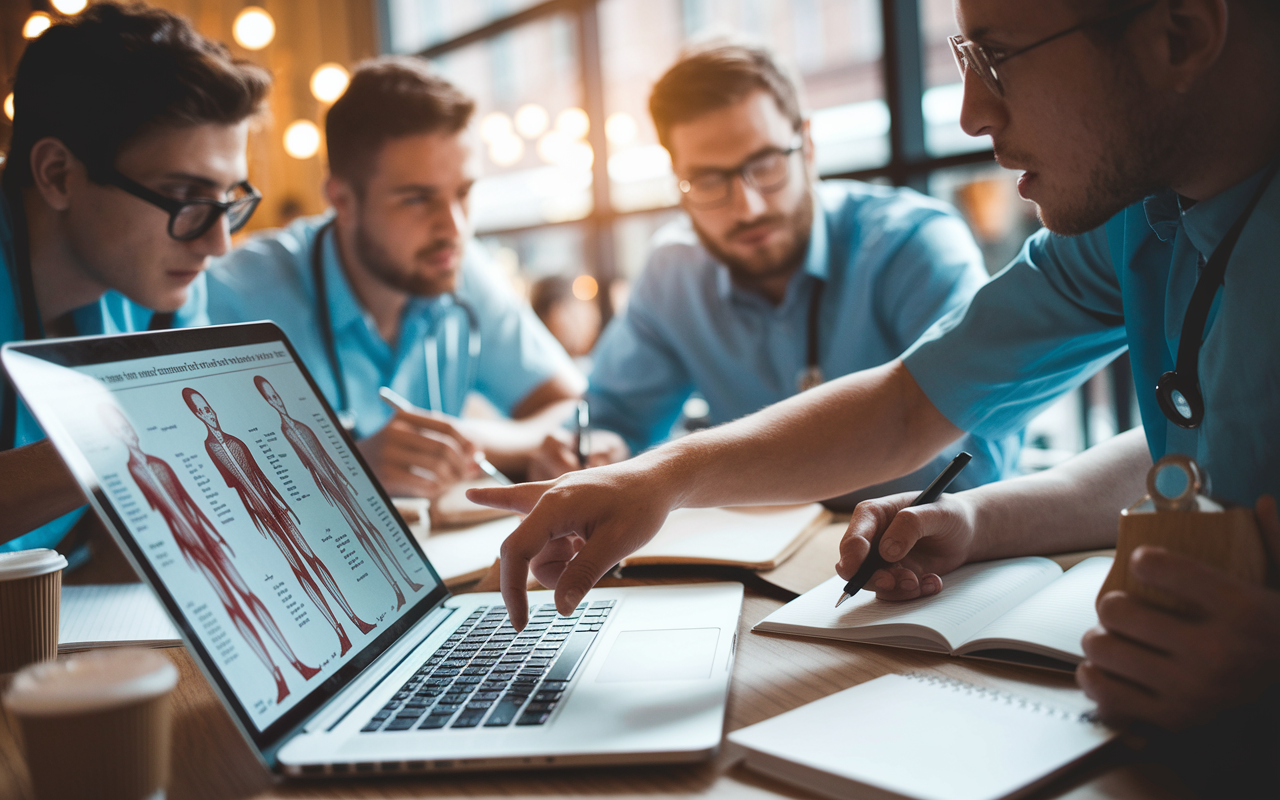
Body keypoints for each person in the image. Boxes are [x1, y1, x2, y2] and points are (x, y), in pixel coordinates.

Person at [472, 0, 1280, 733]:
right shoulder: (1136, 221)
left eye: (996, 58)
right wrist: (667, 476)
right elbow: (916, 404)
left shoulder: (919, 236)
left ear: (1180, 34)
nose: (969, 114)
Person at [527, 43, 1020, 505]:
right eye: (707, 180)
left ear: (806, 145)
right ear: (679, 181)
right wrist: (595, 449)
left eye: (764, 165)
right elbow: (616, 420)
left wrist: (709, 470)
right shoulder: (673, 273)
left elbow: (975, 466)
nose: (747, 207)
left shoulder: (912, 245)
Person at [207, 57, 584, 500]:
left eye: (463, 193)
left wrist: (460, 440)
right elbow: (204, 482)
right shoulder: (234, 296)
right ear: (342, 199)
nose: (455, 227)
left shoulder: (456, 264)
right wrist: (348, 467)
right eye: (418, 199)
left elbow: (569, 407)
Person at [0, 3, 270, 552]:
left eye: (227, 199)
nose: (217, 244)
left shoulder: (164, 295)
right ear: (57, 175)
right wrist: (121, 432)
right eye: (181, 196)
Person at [100, 404, 318, 704]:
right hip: (188, 545)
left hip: (208, 539)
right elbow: (163, 513)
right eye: (119, 429)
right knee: (231, 605)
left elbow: (188, 503)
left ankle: (296, 664)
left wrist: (214, 534)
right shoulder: (132, 469)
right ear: (112, 434)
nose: (128, 432)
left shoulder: (159, 462)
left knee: (249, 596)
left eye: (127, 425)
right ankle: (278, 679)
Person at [183, 387, 375, 657]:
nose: (209, 414)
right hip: (260, 515)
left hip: (278, 508)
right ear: (196, 415)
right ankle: (340, 633)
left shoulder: (236, 440)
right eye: (202, 411)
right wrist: (254, 516)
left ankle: (355, 620)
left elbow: (260, 475)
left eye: (209, 408)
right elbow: (236, 487)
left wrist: (280, 502)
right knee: (298, 568)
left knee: (313, 559)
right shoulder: (210, 447)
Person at [253, 375, 425, 610]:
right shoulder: (286, 430)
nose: (277, 400)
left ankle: (406, 582)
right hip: (327, 490)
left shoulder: (301, 424)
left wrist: (349, 478)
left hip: (340, 484)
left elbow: (325, 457)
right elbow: (308, 467)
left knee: (371, 529)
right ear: (267, 402)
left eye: (276, 394)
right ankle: (396, 589)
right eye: (270, 398)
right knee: (362, 535)